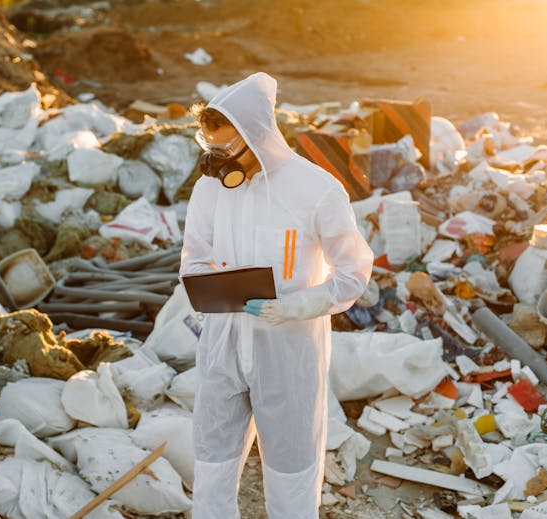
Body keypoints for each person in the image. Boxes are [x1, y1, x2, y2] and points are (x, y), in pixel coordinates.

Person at [180, 72, 374, 519]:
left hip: (288, 351)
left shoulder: (317, 190)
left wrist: (304, 303)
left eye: (227, 151)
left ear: (260, 138)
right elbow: (193, 259)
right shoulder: (210, 188)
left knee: (291, 475)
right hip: (222, 345)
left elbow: (353, 271)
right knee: (212, 467)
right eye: (210, 149)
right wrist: (210, 284)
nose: (217, 161)